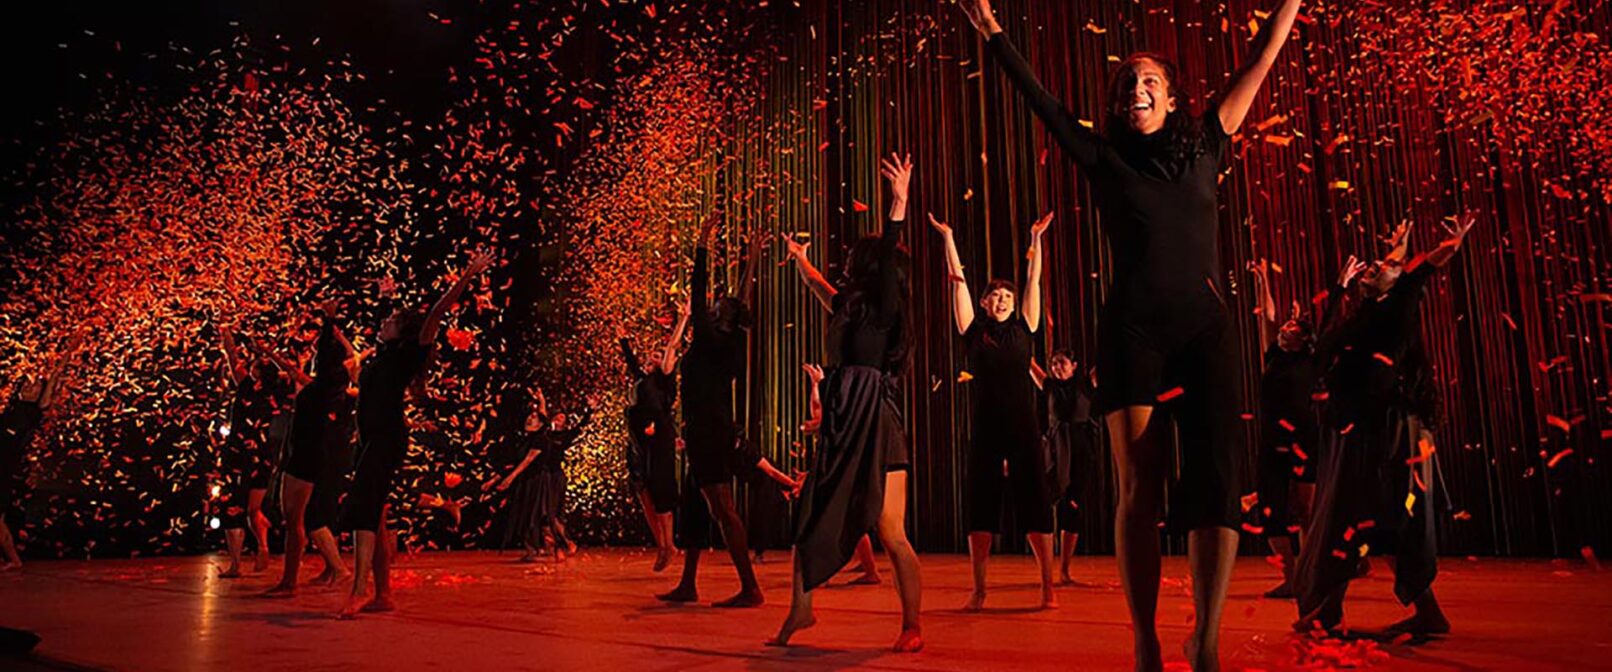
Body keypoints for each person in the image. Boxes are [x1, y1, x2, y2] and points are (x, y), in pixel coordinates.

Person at [958, 0, 1304, 667]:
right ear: (1117, 105)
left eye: (1149, 80)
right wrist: (996, 34)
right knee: (1139, 485)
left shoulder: (1209, 137)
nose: (1135, 88)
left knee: (1214, 482)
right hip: (1132, 331)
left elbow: (1261, 57)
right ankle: (1145, 637)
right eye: (1125, 84)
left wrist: (1289, 3)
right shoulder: (1102, 156)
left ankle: (1204, 635)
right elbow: (1042, 102)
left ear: (1171, 97)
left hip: (1207, 330)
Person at [771, 153, 922, 652]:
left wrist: (897, 205)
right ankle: (802, 609)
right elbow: (821, 287)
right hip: (842, 420)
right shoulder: (849, 306)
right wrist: (798, 259)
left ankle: (911, 625)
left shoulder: (884, 308)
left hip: (877, 422)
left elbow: (885, 264)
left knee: (890, 531)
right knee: (810, 516)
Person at [1294, 218, 1473, 636]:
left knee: (1382, 514)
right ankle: (1332, 609)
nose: (1373, 267)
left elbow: (1419, 272)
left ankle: (1345, 609)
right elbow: (1320, 353)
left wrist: (1447, 244)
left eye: (1384, 265)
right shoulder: (1361, 317)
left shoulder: (1399, 305)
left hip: (1386, 430)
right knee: (1351, 514)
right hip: (1355, 428)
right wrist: (1339, 290)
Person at [338, 251, 494, 618]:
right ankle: (384, 594)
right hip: (368, 440)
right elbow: (367, 370)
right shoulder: (381, 355)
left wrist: (468, 275)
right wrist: (388, 299)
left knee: (364, 510)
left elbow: (438, 312)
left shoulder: (409, 352)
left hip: (386, 438)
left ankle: (359, 589)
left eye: (392, 319)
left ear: (405, 331)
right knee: (373, 516)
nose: (385, 320)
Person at [931, 209, 1058, 611]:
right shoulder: (973, 332)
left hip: (1023, 427)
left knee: (1035, 502)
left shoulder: (1025, 328)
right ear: (985, 303)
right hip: (986, 427)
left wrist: (1035, 241)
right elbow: (959, 283)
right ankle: (979, 590)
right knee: (981, 504)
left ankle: (1047, 587)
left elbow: (1034, 280)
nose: (1002, 299)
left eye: (1007, 295)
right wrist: (949, 238)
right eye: (995, 295)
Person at [657, 213, 770, 609]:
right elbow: (743, 301)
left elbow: (701, 287)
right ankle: (688, 583)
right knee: (696, 507)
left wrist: (703, 245)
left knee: (722, 507)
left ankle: (750, 587)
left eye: (719, 303)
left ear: (719, 315)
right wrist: (753, 258)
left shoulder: (709, 339)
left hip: (709, 432)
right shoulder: (731, 338)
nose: (718, 300)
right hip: (708, 429)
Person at [263, 300, 354, 596]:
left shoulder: (319, 391)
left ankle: (289, 583)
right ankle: (295, 579)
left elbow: (338, 357)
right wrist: (331, 320)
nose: (311, 354)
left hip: (303, 458)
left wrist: (331, 322)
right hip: (308, 456)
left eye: (316, 353)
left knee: (294, 520)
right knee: (296, 520)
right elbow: (295, 370)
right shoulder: (327, 388)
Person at [0, 340, 77, 572]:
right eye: (27, 385)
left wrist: (69, 351)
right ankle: (13, 559)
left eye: (35, 387)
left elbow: (53, 379)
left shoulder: (34, 411)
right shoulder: (8, 408)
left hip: (3, 470)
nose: (29, 388)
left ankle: (14, 559)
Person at [620, 308, 687, 571]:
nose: (655, 357)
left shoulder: (665, 380)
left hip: (660, 438)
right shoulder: (642, 379)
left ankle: (667, 545)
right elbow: (631, 362)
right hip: (640, 442)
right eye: (653, 354)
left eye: (659, 356)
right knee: (644, 491)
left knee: (661, 492)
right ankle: (662, 543)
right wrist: (623, 340)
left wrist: (683, 319)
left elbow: (672, 347)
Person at [1032, 351, 1100, 586]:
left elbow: (1106, 362)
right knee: (1046, 501)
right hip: (1055, 450)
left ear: (1074, 365)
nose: (1055, 367)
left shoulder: (1086, 384)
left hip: (1081, 450)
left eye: (1061, 363)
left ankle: (1064, 570)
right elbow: (1028, 362)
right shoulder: (1048, 385)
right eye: (1052, 363)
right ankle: (1046, 569)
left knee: (1072, 507)